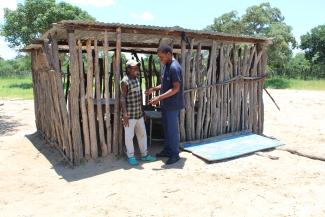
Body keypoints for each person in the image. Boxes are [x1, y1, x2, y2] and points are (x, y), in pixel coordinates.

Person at [145, 44, 185, 165]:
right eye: (159, 57)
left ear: (169, 54)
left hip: (173, 105)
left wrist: (159, 98)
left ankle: (175, 154)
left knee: (172, 131)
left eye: (161, 57)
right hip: (166, 105)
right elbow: (166, 84)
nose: (160, 59)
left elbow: (175, 88)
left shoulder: (174, 67)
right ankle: (168, 150)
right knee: (167, 129)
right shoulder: (167, 65)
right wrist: (154, 89)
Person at [120, 59, 156, 166]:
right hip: (130, 115)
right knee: (129, 137)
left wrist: (143, 111)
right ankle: (131, 156)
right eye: (134, 68)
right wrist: (125, 114)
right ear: (128, 69)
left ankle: (144, 155)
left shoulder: (136, 79)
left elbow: (139, 97)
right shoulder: (124, 81)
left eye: (137, 68)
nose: (136, 70)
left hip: (138, 114)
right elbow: (122, 98)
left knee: (142, 134)